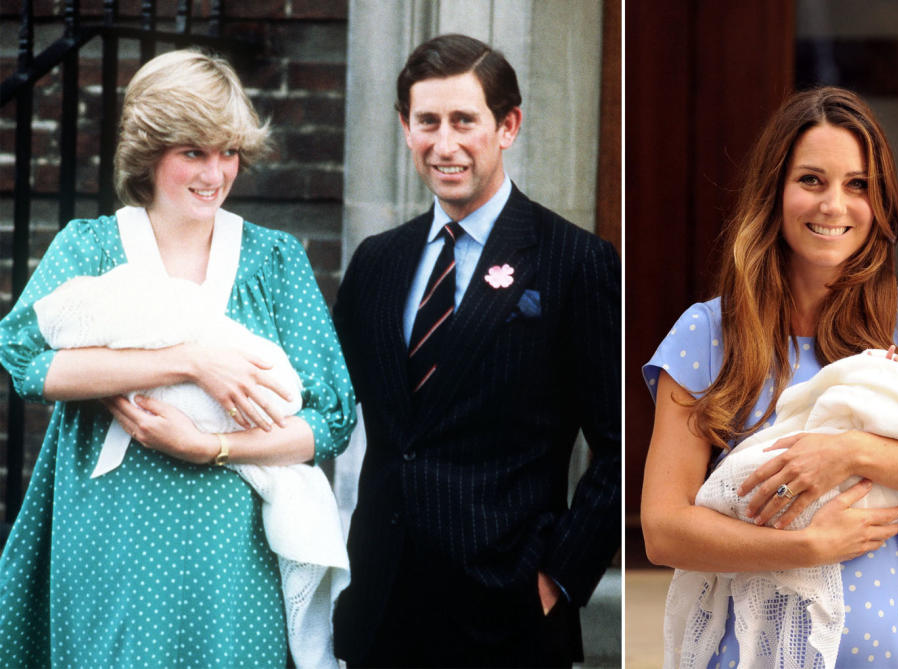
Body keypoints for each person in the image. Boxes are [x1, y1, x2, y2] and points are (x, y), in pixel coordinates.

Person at [0, 49, 356, 668]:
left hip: (233, 556)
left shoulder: (273, 260)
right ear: (148, 151)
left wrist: (210, 447)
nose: (214, 173)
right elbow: (27, 361)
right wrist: (191, 361)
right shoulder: (92, 247)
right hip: (110, 541)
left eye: (227, 152)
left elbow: (331, 419)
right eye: (192, 151)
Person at [641, 85, 898, 669]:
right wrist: (806, 547)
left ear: (880, 200)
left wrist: (851, 453)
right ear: (775, 191)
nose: (833, 206)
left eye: (857, 185)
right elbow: (663, 529)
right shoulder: (708, 333)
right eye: (811, 180)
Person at [330, 34, 621, 668]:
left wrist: (557, 580)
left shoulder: (576, 262)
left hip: (507, 616)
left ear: (507, 125)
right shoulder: (376, 263)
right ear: (405, 128)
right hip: (380, 610)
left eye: (465, 120)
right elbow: (323, 407)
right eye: (427, 121)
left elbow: (623, 444)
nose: (445, 143)